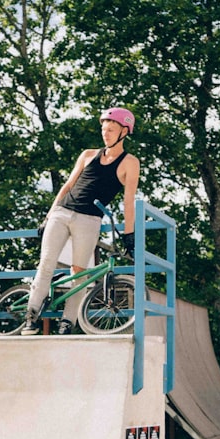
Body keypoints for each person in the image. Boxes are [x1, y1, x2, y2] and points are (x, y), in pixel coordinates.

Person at [22, 107, 141, 336]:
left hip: (89, 220)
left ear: (125, 131)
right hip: (62, 213)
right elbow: (67, 186)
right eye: (103, 129)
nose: (105, 133)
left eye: (111, 129)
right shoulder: (88, 154)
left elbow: (128, 202)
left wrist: (129, 234)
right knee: (46, 263)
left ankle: (68, 322)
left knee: (80, 273)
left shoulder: (130, 163)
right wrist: (49, 215)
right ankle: (31, 316)